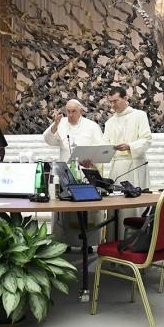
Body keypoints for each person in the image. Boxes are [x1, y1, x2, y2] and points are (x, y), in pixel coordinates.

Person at [43, 99, 105, 247]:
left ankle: (88, 243)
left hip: (85, 173)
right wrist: (55, 125)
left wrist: (92, 160)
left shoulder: (92, 126)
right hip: (65, 173)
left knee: (86, 209)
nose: (70, 115)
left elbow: (101, 148)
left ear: (81, 111)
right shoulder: (61, 123)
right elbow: (48, 140)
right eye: (68, 111)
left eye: (73, 112)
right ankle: (64, 242)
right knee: (65, 209)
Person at [104, 86, 152, 240]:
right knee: (116, 205)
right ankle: (115, 241)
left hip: (134, 165)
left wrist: (130, 146)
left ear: (126, 99)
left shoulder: (139, 115)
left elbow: (146, 139)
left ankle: (135, 242)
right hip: (117, 167)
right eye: (110, 102)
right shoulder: (109, 122)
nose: (113, 105)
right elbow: (105, 144)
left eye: (116, 101)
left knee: (133, 206)